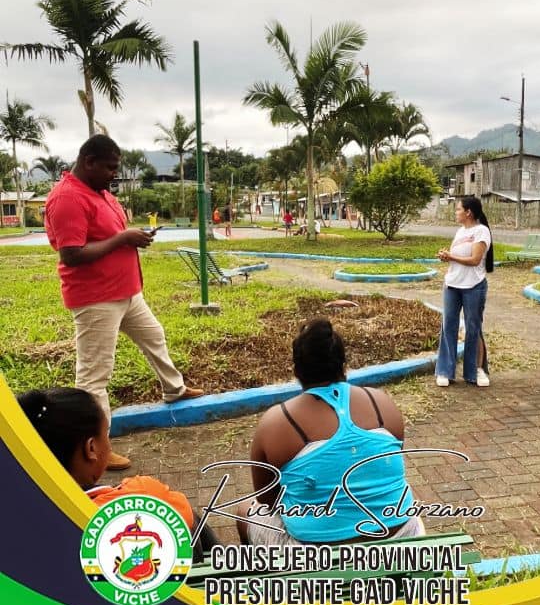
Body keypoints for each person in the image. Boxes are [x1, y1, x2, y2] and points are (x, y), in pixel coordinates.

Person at [44, 135, 203, 470]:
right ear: (88, 162)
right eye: (110, 168)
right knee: (94, 376)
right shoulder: (68, 197)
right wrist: (123, 239)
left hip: (126, 292)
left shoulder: (100, 192)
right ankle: (94, 448)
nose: (114, 174)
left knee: (154, 336)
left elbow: (107, 236)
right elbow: (71, 254)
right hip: (96, 299)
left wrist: (132, 237)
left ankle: (174, 389)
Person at [236, 318, 424, 545]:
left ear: (297, 371)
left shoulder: (275, 422)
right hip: (401, 537)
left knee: (245, 510)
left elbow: (267, 499)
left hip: (317, 554)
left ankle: (265, 567)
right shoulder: (382, 403)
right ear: (343, 365)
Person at [17, 387, 217, 562]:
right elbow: (185, 519)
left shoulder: (18, 521)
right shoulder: (143, 495)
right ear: (91, 448)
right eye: (106, 434)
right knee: (188, 519)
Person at [435, 196, 493, 388]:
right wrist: (447, 257)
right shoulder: (460, 231)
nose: (456, 212)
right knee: (448, 326)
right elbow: (458, 258)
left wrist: (451, 256)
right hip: (452, 285)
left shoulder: (481, 231)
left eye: (458, 209)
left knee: (473, 327)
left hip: (474, 286)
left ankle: (477, 370)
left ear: (468, 212)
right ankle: (445, 371)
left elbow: (475, 259)